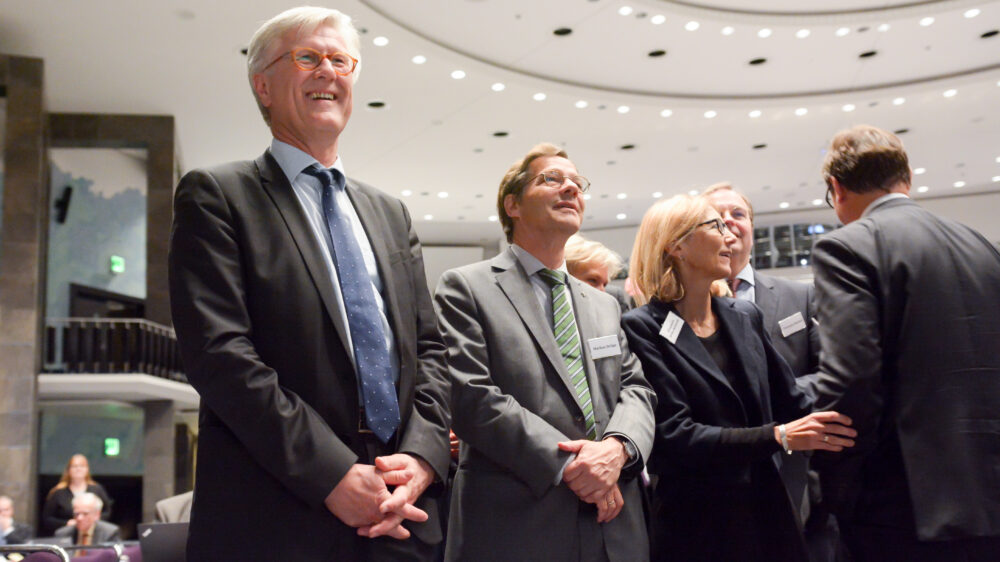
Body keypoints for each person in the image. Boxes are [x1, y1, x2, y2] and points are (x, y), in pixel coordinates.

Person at [168, 6, 450, 560]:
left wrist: (421, 458)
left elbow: (433, 353)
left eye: (342, 60)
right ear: (263, 85)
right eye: (308, 57)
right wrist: (332, 475)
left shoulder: (390, 213)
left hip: (403, 514)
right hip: (277, 517)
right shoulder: (217, 195)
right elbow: (221, 356)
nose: (329, 71)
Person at [435, 143, 656, 561]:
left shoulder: (605, 303)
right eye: (552, 179)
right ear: (512, 204)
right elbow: (472, 396)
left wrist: (617, 449)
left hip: (615, 523)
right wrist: (573, 465)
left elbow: (636, 389)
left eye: (578, 182)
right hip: (517, 525)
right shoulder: (466, 286)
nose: (571, 188)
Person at [620, 194, 856, 562]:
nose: (728, 234)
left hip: (767, 512)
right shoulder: (642, 327)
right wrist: (777, 436)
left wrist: (865, 392)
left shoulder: (743, 314)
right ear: (676, 246)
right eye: (714, 225)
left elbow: (793, 401)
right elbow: (677, 437)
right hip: (696, 526)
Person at [811, 124, 1000, 561]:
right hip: (989, 494)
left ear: (836, 189)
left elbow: (851, 379)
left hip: (901, 505)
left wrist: (834, 485)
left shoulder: (848, 247)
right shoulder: (984, 247)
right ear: (907, 177)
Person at [704, 182, 837, 561]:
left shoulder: (800, 296)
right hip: (720, 474)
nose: (728, 222)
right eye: (715, 217)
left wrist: (777, 393)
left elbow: (829, 370)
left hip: (797, 472)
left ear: (752, 226)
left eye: (737, 213)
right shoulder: (681, 304)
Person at [41, 454, 112, 535]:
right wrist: (66, 523)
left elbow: (107, 512)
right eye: (74, 466)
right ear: (68, 470)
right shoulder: (57, 492)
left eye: (82, 466)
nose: (78, 469)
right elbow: (47, 519)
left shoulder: (97, 489)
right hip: (67, 534)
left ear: (87, 469)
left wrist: (93, 521)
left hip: (93, 533)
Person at [54, 493, 121, 548]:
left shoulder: (110, 533)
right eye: (76, 514)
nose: (79, 518)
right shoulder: (62, 534)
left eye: (85, 514)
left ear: (97, 514)